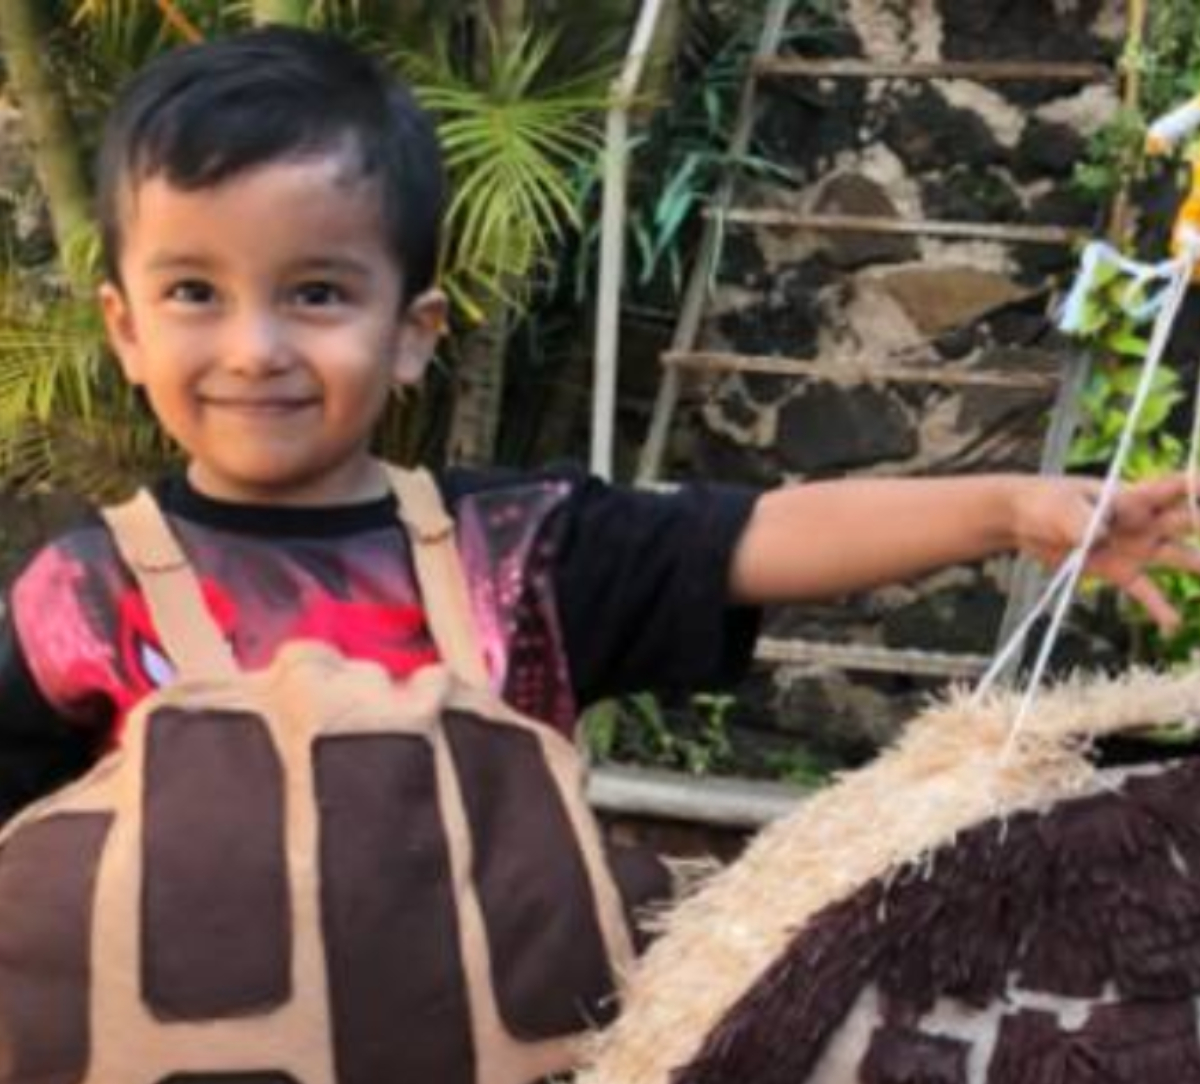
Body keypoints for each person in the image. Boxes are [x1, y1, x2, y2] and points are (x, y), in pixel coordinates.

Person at [0, 24, 1198, 821]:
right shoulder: (75, 601)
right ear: (124, 328)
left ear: (415, 330)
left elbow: (755, 535)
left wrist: (1009, 507)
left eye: (317, 294)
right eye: (195, 293)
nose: (255, 347)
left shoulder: (515, 559)